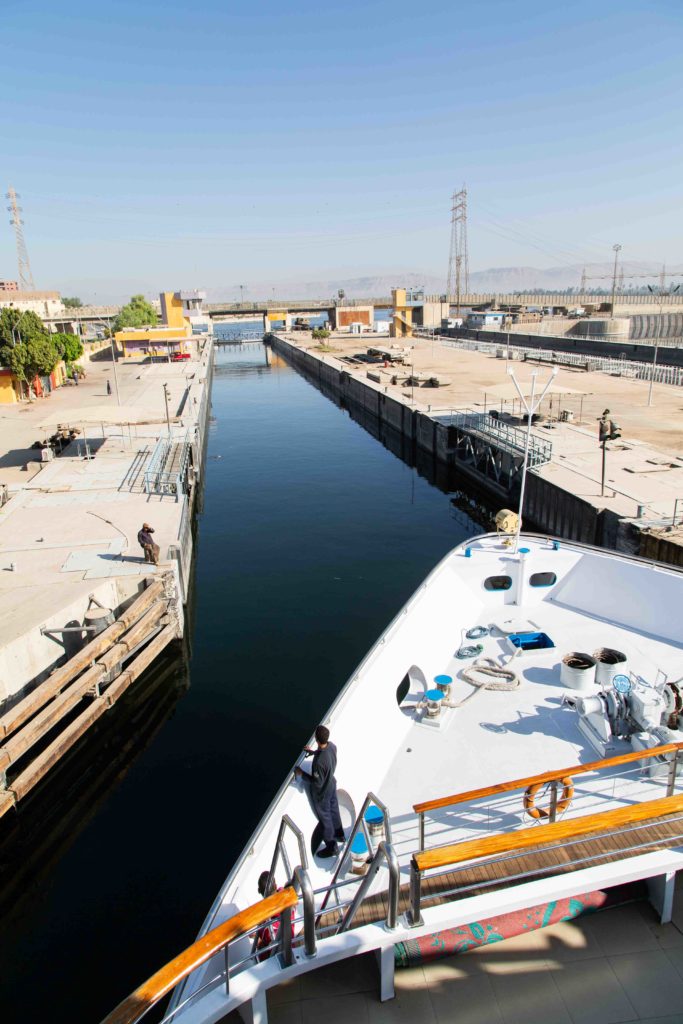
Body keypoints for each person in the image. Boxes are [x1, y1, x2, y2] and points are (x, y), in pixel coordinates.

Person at [295, 725, 344, 859]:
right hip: (332, 784)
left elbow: (317, 782)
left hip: (322, 793)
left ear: (316, 739)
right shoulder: (332, 746)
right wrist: (313, 752)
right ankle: (340, 834)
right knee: (334, 809)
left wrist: (301, 773)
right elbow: (325, 755)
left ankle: (332, 847)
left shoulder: (318, 763)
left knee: (325, 820)